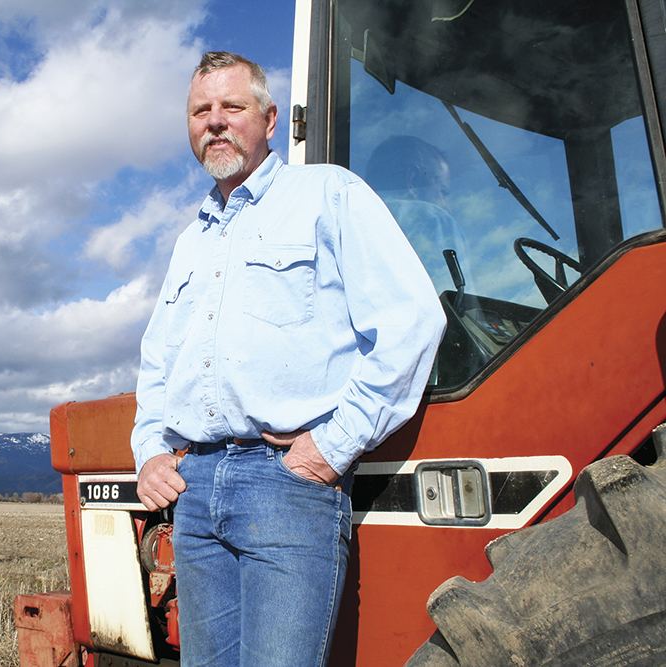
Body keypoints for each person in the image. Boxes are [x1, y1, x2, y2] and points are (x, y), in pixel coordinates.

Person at [131, 52, 446, 667]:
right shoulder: (190, 241)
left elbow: (412, 320)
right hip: (194, 491)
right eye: (201, 111)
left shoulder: (327, 194)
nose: (215, 122)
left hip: (284, 484)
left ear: (269, 119)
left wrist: (334, 444)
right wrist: (147, 452)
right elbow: (156, 364)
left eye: (232, 107)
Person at [365, 135, 474, 295]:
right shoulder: (433, 218)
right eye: (442, 192)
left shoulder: (349, 219)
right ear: (413, 180)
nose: (448, 208)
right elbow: (458, 306)